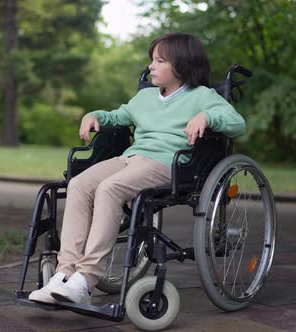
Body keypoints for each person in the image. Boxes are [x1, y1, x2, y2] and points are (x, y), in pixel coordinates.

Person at [29, 32, 246, 305]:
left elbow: (237, 123)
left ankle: (85, 280)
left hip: (169, 164)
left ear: (183, 64)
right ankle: (63, 275)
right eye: (151, 60)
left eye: (160, 60)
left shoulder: (202, 96)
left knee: (110, 189)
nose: (151, 66)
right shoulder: (144, 98)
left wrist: (207, 115)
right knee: (79, 185)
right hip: (132, 159)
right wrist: (94, 115)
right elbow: (118, 116)